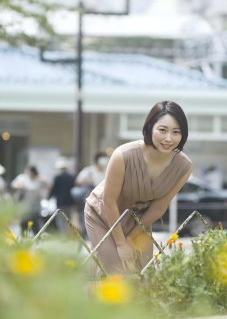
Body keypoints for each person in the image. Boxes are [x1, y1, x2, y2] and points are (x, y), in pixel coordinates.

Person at [84, 100, 192, 274]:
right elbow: (109, 201)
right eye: (162, 130)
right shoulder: (123, 155)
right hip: (104, 215)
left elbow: (159, 207)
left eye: (176, 132)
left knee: (142, 274)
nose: (168, 138)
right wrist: (121, 243)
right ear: (150, 127)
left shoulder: (183, 166)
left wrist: (131, 238)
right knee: (118, 271)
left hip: (139, 222)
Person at [74, 151, 110, 235]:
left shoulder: (107, 170)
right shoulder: (89, 170)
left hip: (104, 200)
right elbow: (78, 181)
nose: (105, 160)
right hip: (91, 198)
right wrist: (89, 182)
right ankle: (87, 236)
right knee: (89, 218)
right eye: (103, 158)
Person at [11, 165, 48, 234]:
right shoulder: (22, 178)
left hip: (35, 208)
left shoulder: (38, 180)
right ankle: (24, 241)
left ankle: (37, 241)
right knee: (24, 227)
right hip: (24, 208)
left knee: (35, 227)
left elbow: (47, 183)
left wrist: (38, 177)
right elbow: (14, 185)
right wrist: (21, 186)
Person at [48, 157, 75, 233]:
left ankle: (63, 235)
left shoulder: (57, 178)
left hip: (60, 202)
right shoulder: (71, 177)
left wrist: (48, 197)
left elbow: (53, 190)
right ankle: (68, 234)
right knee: (68, 219)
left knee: (60, 219)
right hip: (70, 201)